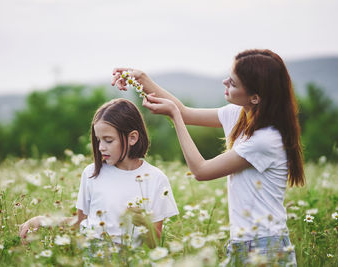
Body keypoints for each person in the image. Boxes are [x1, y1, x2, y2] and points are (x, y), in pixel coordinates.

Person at [112, 49, 304, 265]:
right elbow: (186, 112)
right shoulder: (241, 115)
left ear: (255, 97)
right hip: (245, 243)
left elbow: (201, 171)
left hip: (266, 248)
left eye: (232, 82)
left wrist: (175, 118)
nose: (224, 82)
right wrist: (143, 80)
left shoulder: (265, 140)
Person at [19, 98, 179, 249]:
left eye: (108, 140)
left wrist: (144, 223)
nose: (101, 147)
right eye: (98, 140)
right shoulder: (91, 173)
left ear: (132, 138)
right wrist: (42, 221)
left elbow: (155, 244)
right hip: (93, 257)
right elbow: (79, 223)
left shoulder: (156, 179)